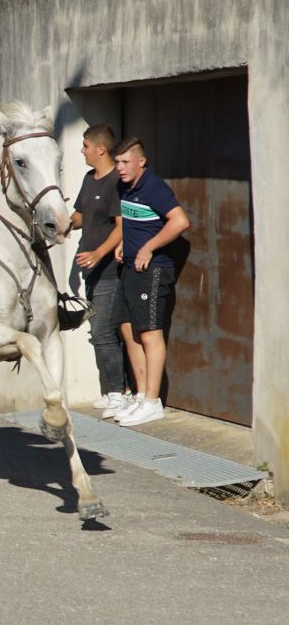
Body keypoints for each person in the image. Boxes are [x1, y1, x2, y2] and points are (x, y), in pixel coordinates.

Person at [111, 138, 190, 427]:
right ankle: (141, 395)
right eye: (117, 162)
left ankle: (152, 402)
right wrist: (123, 243)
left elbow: (180, 221)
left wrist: (149, 247)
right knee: (128, 330)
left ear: (141, 161)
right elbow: (131, 222)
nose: (120, 168)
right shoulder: (125, 187)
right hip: (131, 268)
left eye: (125, 162)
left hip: (153, 269)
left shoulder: (154, 188)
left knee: (149, 334)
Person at [70, 125, 126, 418]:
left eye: (85, 145)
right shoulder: (89, 179)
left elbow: (121, 227)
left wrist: (98, 254)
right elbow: (81, 216)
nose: (82, 150)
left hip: (107, 270)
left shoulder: (117, 181)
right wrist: (65, 222)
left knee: (104, 331)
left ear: (100, 149)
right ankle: (111, 391)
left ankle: (118, 392)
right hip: (90, 271)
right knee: (97, 332)